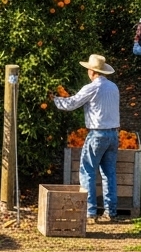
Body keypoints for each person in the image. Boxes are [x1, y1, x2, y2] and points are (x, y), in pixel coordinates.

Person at [52, 53, 121, 223]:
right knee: (109, 173)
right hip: (113, 134)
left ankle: (90, 212)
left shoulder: (92, 87)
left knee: (87, 171)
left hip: (97, 134)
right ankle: (111, 212)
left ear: (91, 71)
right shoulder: (113, 87)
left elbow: (72, 103)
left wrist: (53, 100)